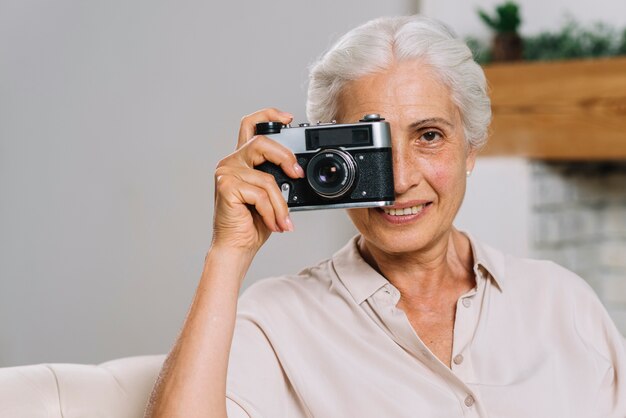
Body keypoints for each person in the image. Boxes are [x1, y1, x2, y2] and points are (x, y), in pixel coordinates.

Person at [145, 15, 626, 418]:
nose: (397, 179)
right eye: (370, 147)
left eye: (429, 136)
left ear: (472, 149)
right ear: (325, 154)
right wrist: (227, 251)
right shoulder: (277, 319)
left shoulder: (563, 302)